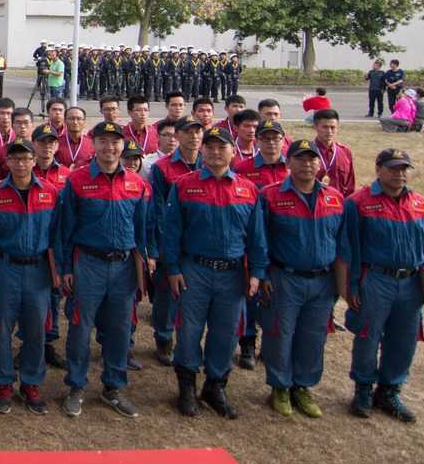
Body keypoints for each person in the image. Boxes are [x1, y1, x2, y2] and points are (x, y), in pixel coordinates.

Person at [164, 126, 267, 419]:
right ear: (203, 151)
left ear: (233, 152)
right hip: (194, 270)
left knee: (225, 333)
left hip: (233, 274)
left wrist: (257, 272)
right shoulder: (185, 185)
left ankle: (216, 385)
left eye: (221, 147)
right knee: (188, 332)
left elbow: (257, 237)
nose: (214, 152)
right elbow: (171, 232)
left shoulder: (247, 189)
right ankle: (186, 387)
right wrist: (172, 268)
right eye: (209, 147)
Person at [57, 121, 148, 418]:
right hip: (88, 264)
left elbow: (143, 229)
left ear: (123, 146)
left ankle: (114, 386)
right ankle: (76, 385)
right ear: (93, 145)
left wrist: (145, 264)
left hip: (123, 267)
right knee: (81, 329)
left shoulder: (136, 183)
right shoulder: (78, 181)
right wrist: (66, 267)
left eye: (115, 142)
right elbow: (65, 229)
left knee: (120, 329)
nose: (109, 148)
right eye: (103, 142)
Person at [342, 148, 424, 423]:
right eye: (393, 168)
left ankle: (389, 390)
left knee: (404, 340)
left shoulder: (421, 204)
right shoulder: (358, 203)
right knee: (367, 336)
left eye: (404, 168)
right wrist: (353, 287)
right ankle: (363, 388)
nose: (400, 174)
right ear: (378, 169)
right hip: (375, 280)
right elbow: (351, 249)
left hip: (410, 283)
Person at [258, 139, 347, 418]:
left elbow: (342, 242)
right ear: (288, 162)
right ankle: (280, 386)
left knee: (313, 335)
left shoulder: (334, 197)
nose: (307, 164)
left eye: (312, 159)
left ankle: (303, 386)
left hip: (322, 281)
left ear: (319, 164)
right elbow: (260, 239)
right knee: (279, 333)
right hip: (285, 277)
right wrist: (264, 273)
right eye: (300, 158)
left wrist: (341, 282)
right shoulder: (271, 196)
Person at [0, 138, 59, 415]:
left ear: (34, 160)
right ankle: (4, 384)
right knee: (2, 330)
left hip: (38, 271)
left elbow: (57, 237)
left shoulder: (50, 193)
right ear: (7, 163)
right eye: (15, 159)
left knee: (36, 330)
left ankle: (31, 382)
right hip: (5, 269)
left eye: (26, 158)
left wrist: (57, 273)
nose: (21, 163)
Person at [146, 117, 205, 365]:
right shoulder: (162, 168)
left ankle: (189, 343)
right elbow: (157, 211)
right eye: (187, 132)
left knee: (194, 298)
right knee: (166, 297)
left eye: (197, 132)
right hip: (169, 243)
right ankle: (164, 338)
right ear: (177, 136)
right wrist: (158, 248)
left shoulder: (209, 163)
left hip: (199, 244)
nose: (193, 137)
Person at [31, 123, 71, 369]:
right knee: (31, 300)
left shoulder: (69, 175)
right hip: (32, 245)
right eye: (42, 142)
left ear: (57, 146)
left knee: (53, 298)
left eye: (51, 142)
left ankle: (48, 342)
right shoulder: (23, 170)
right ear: (34, 144)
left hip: (57, 246)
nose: (47, 147)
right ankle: (28, 343)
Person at [313, 109, 355, 198]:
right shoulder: (307, 153)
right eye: (325, 127)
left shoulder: (345, 152)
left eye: (333, 127)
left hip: (340, 205)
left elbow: (350, 185)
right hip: (315, 205)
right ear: (316, 127)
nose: (329, 131)